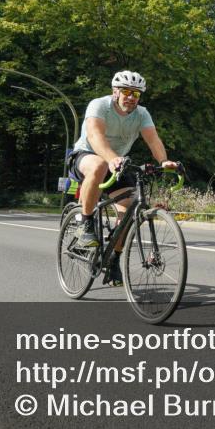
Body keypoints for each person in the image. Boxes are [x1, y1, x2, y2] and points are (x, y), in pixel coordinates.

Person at [67, 71, 177, 285]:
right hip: (87, 157)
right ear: (115, 92)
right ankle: (86, 223)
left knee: (129, 210)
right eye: (126, 91)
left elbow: (153, 140)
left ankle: (114, 259)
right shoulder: (99, 105)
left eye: (136, 94)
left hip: (118, 163)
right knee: (98, 165)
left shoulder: (142, 114)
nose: (131, 97)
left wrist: (164, 161)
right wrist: (111, 158)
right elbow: (95, 136)